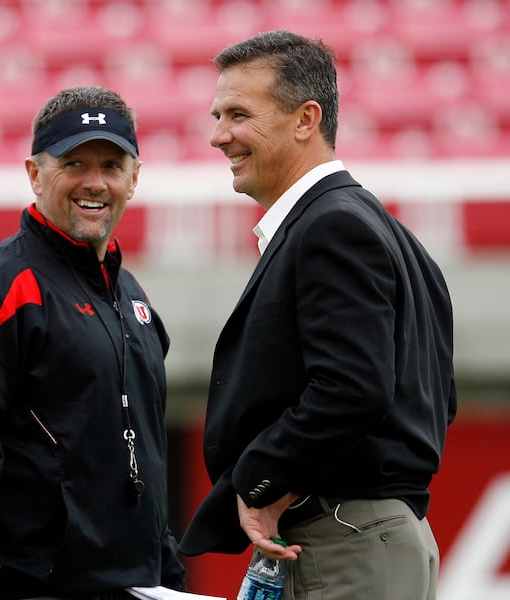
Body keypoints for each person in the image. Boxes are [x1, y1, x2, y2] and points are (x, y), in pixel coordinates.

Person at [178, 30, 456, 600]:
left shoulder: (333, 227)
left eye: (238, 114)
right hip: (365, 535)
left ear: (306, 119)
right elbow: (435, 398)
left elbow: (353, 386)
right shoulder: (381, 228)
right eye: (216, 114)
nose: (217, 136)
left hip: (344, 537)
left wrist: (264, 480)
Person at [0, 86, 186, 600]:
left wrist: (166, 572)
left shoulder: (132, 297)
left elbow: (144, 454)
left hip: (140, 587)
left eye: (111, 164)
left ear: (134, 178)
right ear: (35, 174)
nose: (95, 182)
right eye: (74, 163)